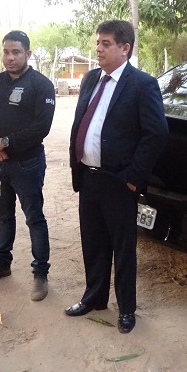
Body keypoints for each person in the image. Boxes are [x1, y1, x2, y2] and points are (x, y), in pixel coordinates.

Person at [66, 20, 168, 334]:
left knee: (123, 249)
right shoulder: (91, 79)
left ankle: (126, 309)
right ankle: (95, 298)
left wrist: (132, 178)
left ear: (125, 48)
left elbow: (156, 134)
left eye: (106, 43)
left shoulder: (142, 84)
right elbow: (83, 120)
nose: (99, 48)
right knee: (93, 243)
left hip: (119, 182)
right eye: (98, 42)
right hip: (89, 178)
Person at [0, 30, 55, 301]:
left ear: (28, 54)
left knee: (34, 216)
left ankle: (40, 274)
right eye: (6, 52)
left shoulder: (41, 85)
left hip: (29, 163)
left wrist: (6, 143)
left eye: (16, 52)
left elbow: (41, 127)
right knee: (3, 216)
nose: (10, 58)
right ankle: (2, 264)